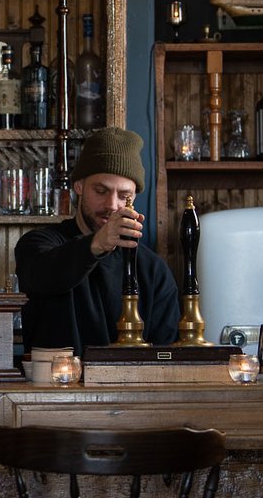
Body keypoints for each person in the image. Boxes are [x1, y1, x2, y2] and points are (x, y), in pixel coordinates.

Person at [15, 127, 180, 356]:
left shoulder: (152, 270)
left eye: (124, 196)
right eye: (101, 190)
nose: (112, 205)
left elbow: (166, 352)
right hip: (53, 389)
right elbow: (42, 276)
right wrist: (98, 243)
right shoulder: (39, 244)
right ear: (79, 186)